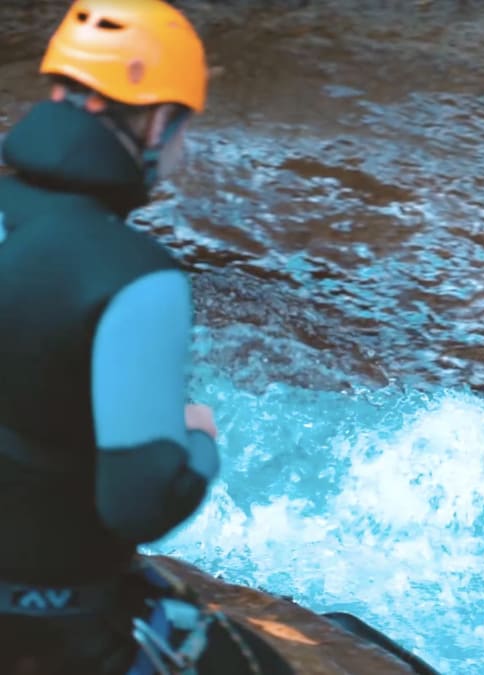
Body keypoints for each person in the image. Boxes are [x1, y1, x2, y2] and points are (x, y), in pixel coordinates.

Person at [0, 1, 291, 673]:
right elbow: (139, 502)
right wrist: (199, 442)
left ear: (60, 94)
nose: (183, 150)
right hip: (49, 629)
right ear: (157, 121)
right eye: (184, 126)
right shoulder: (137, 277)